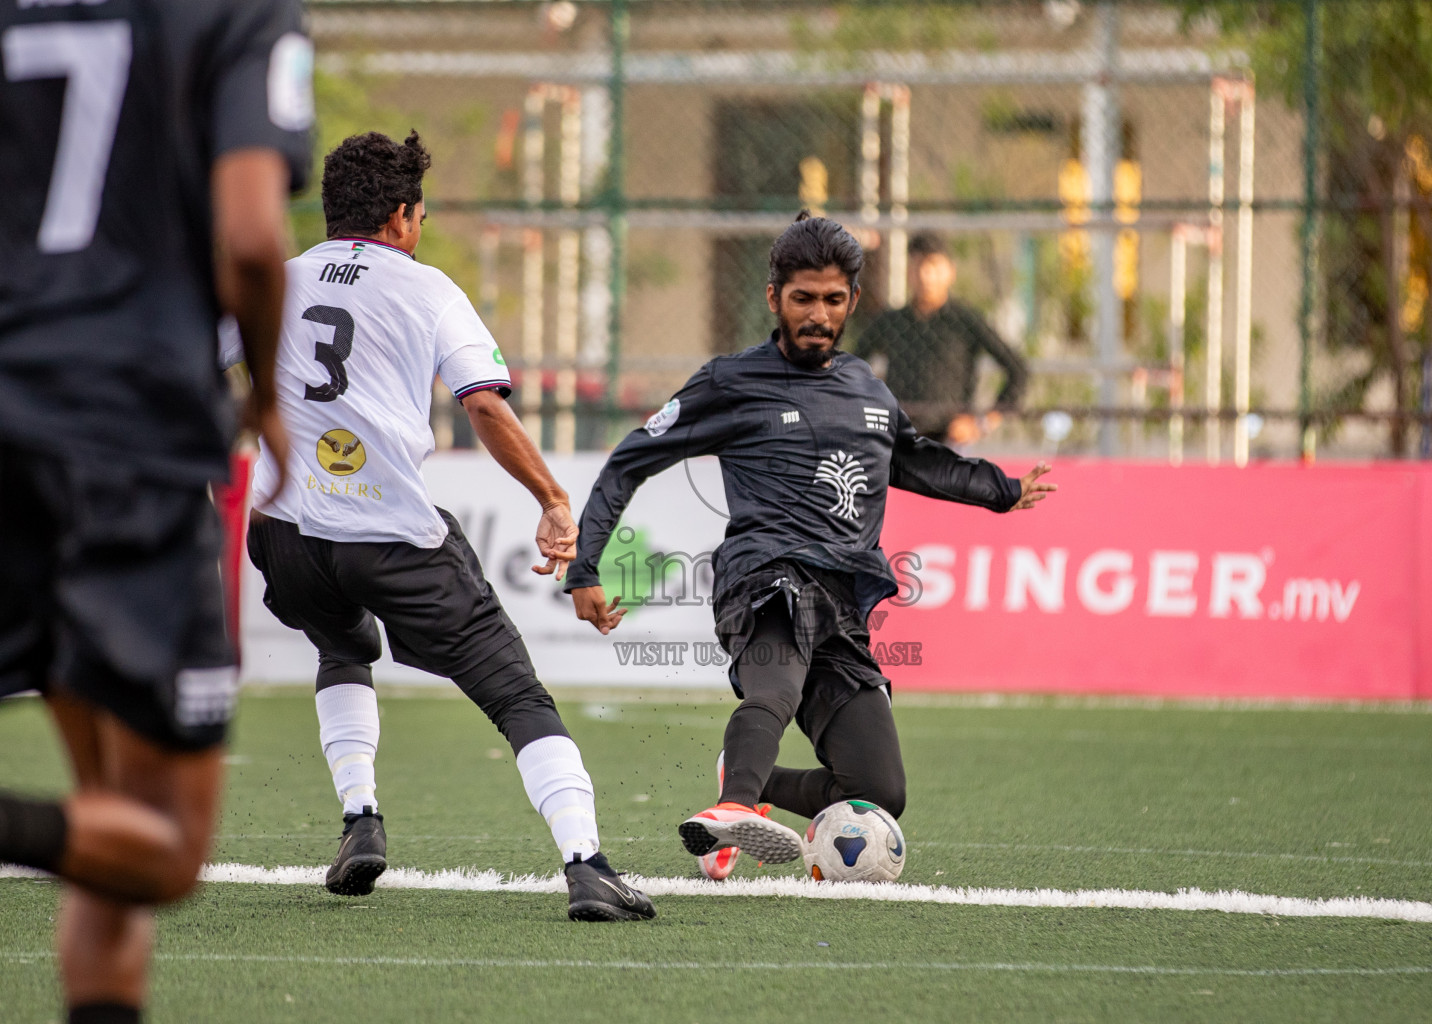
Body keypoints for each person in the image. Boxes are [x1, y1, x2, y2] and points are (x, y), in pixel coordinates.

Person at [225, 130, 654, 922]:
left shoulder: (272, 283)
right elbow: (484, 403)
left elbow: (205, 370)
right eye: (418, 214)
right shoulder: (427, 290)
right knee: (518, 694)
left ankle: (360, 818)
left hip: (287, 536)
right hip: (390, 538)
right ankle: (587, 865)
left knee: (342, 645)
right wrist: (553, 498)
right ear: (400, 216)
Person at [566, 212, 1056, 879]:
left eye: (832, 300)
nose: (817, 314)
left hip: (843, 601)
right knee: (774, 688)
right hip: (764, 578)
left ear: (852, 302)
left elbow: (915, 461)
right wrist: (585, 566)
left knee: (880, 791)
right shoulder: (730, 382)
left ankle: (752, 781)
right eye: (802, 299)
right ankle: (732, 807)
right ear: (774, 298)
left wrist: (999, 490)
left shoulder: (868, 391)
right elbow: (631, 460)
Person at [0, 1, 311, 1021]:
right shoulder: (234, 12)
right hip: (126, 435)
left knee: (106, 836)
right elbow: (255, 239)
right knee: (167, 847)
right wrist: (263, 392)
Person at [854, 233, 1030, 442]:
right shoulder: (891, 321)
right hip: (899, 437)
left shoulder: (965, 320)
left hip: (949, 440)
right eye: (918, 265)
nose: (925, 275)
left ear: (950, 271)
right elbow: (851, 367)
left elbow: (1017, 370)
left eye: (934, 265)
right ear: (908, 271)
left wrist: (981, 423)